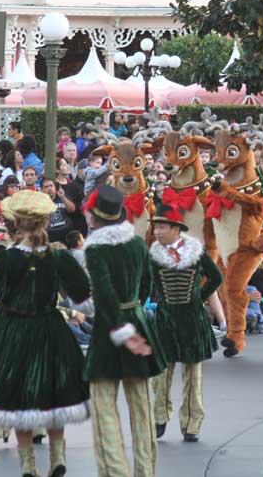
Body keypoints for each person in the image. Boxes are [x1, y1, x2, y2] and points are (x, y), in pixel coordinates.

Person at [0, 190, 92, 477]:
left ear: (16, 222)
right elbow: (84, 296)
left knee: (17, 398)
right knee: (56, 392)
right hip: (51, 329)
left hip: (14, 332)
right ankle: (57, 456)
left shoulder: (6, 258)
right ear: (45, 221)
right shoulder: (59, 256)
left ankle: (28, 464)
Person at [83, 185, 166, 477]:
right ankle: (145, 471)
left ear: (96, 217)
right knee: (142, 408)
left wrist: (120, 327)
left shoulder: (95, 248)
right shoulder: (138, 244)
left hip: (109, 329)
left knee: (104, 407)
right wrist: (133, 313)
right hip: (136, 316)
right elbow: (147, 284)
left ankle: (116, 473)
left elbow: (104, 293)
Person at [147, 203, 222, 442]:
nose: (157, 232)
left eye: (161, 227)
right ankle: (159, 417)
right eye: (155, 227)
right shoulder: (152, 254)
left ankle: (191, 424)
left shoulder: (196, 252)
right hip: (165, 319)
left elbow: (216, 277)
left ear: (176, 229)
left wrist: (198, 297)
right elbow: (144, 283)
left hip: (192, 320)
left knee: (193, 375)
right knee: (160, 373)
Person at [42, 179, 76, 243]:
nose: (49, 188)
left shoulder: (63, 198)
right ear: (41, 190)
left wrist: (63, 197)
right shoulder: (40, 203)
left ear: (55, 187)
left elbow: (72, 210)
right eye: (46, 187)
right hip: (50, 236)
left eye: (51, 186)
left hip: (67, 234)